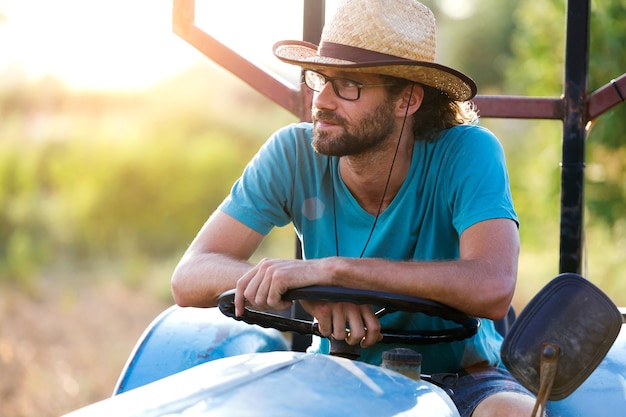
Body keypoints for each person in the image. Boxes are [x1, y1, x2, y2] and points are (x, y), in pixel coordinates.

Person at [171, 0, 538, 416]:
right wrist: (301, 290)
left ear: (408, 100)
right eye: (320, 78)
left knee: (516, 413)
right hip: (337, 370)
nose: (321, 100)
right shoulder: (291, 153)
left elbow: (492, 286)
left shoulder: (467, 152)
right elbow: (190, 276)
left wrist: (333, 272)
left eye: (348, 85)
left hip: (462, 378)